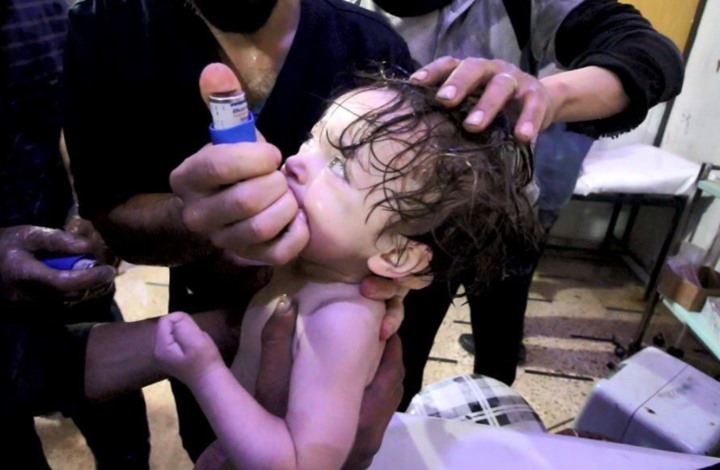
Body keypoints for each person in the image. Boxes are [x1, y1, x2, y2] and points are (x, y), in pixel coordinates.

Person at [153, 70, 538, 469]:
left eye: (338, 167)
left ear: (396, 255)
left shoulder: (339, 320)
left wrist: (203, 370)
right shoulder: (310, 265)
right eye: (311, 139)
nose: (296, 162)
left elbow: (302, 464)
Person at [348, 0, 685, 407]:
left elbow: (649, 53)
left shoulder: (520, 6)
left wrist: (546, 96)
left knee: (498, 351)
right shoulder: (354, 18)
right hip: (409, 227)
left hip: (506, 217)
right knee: (400, 358)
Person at [1, 0, 151, 467]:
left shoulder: (45, 11)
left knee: (125, 443)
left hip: (72, 272)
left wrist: (101, 208)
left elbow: (80, 115)